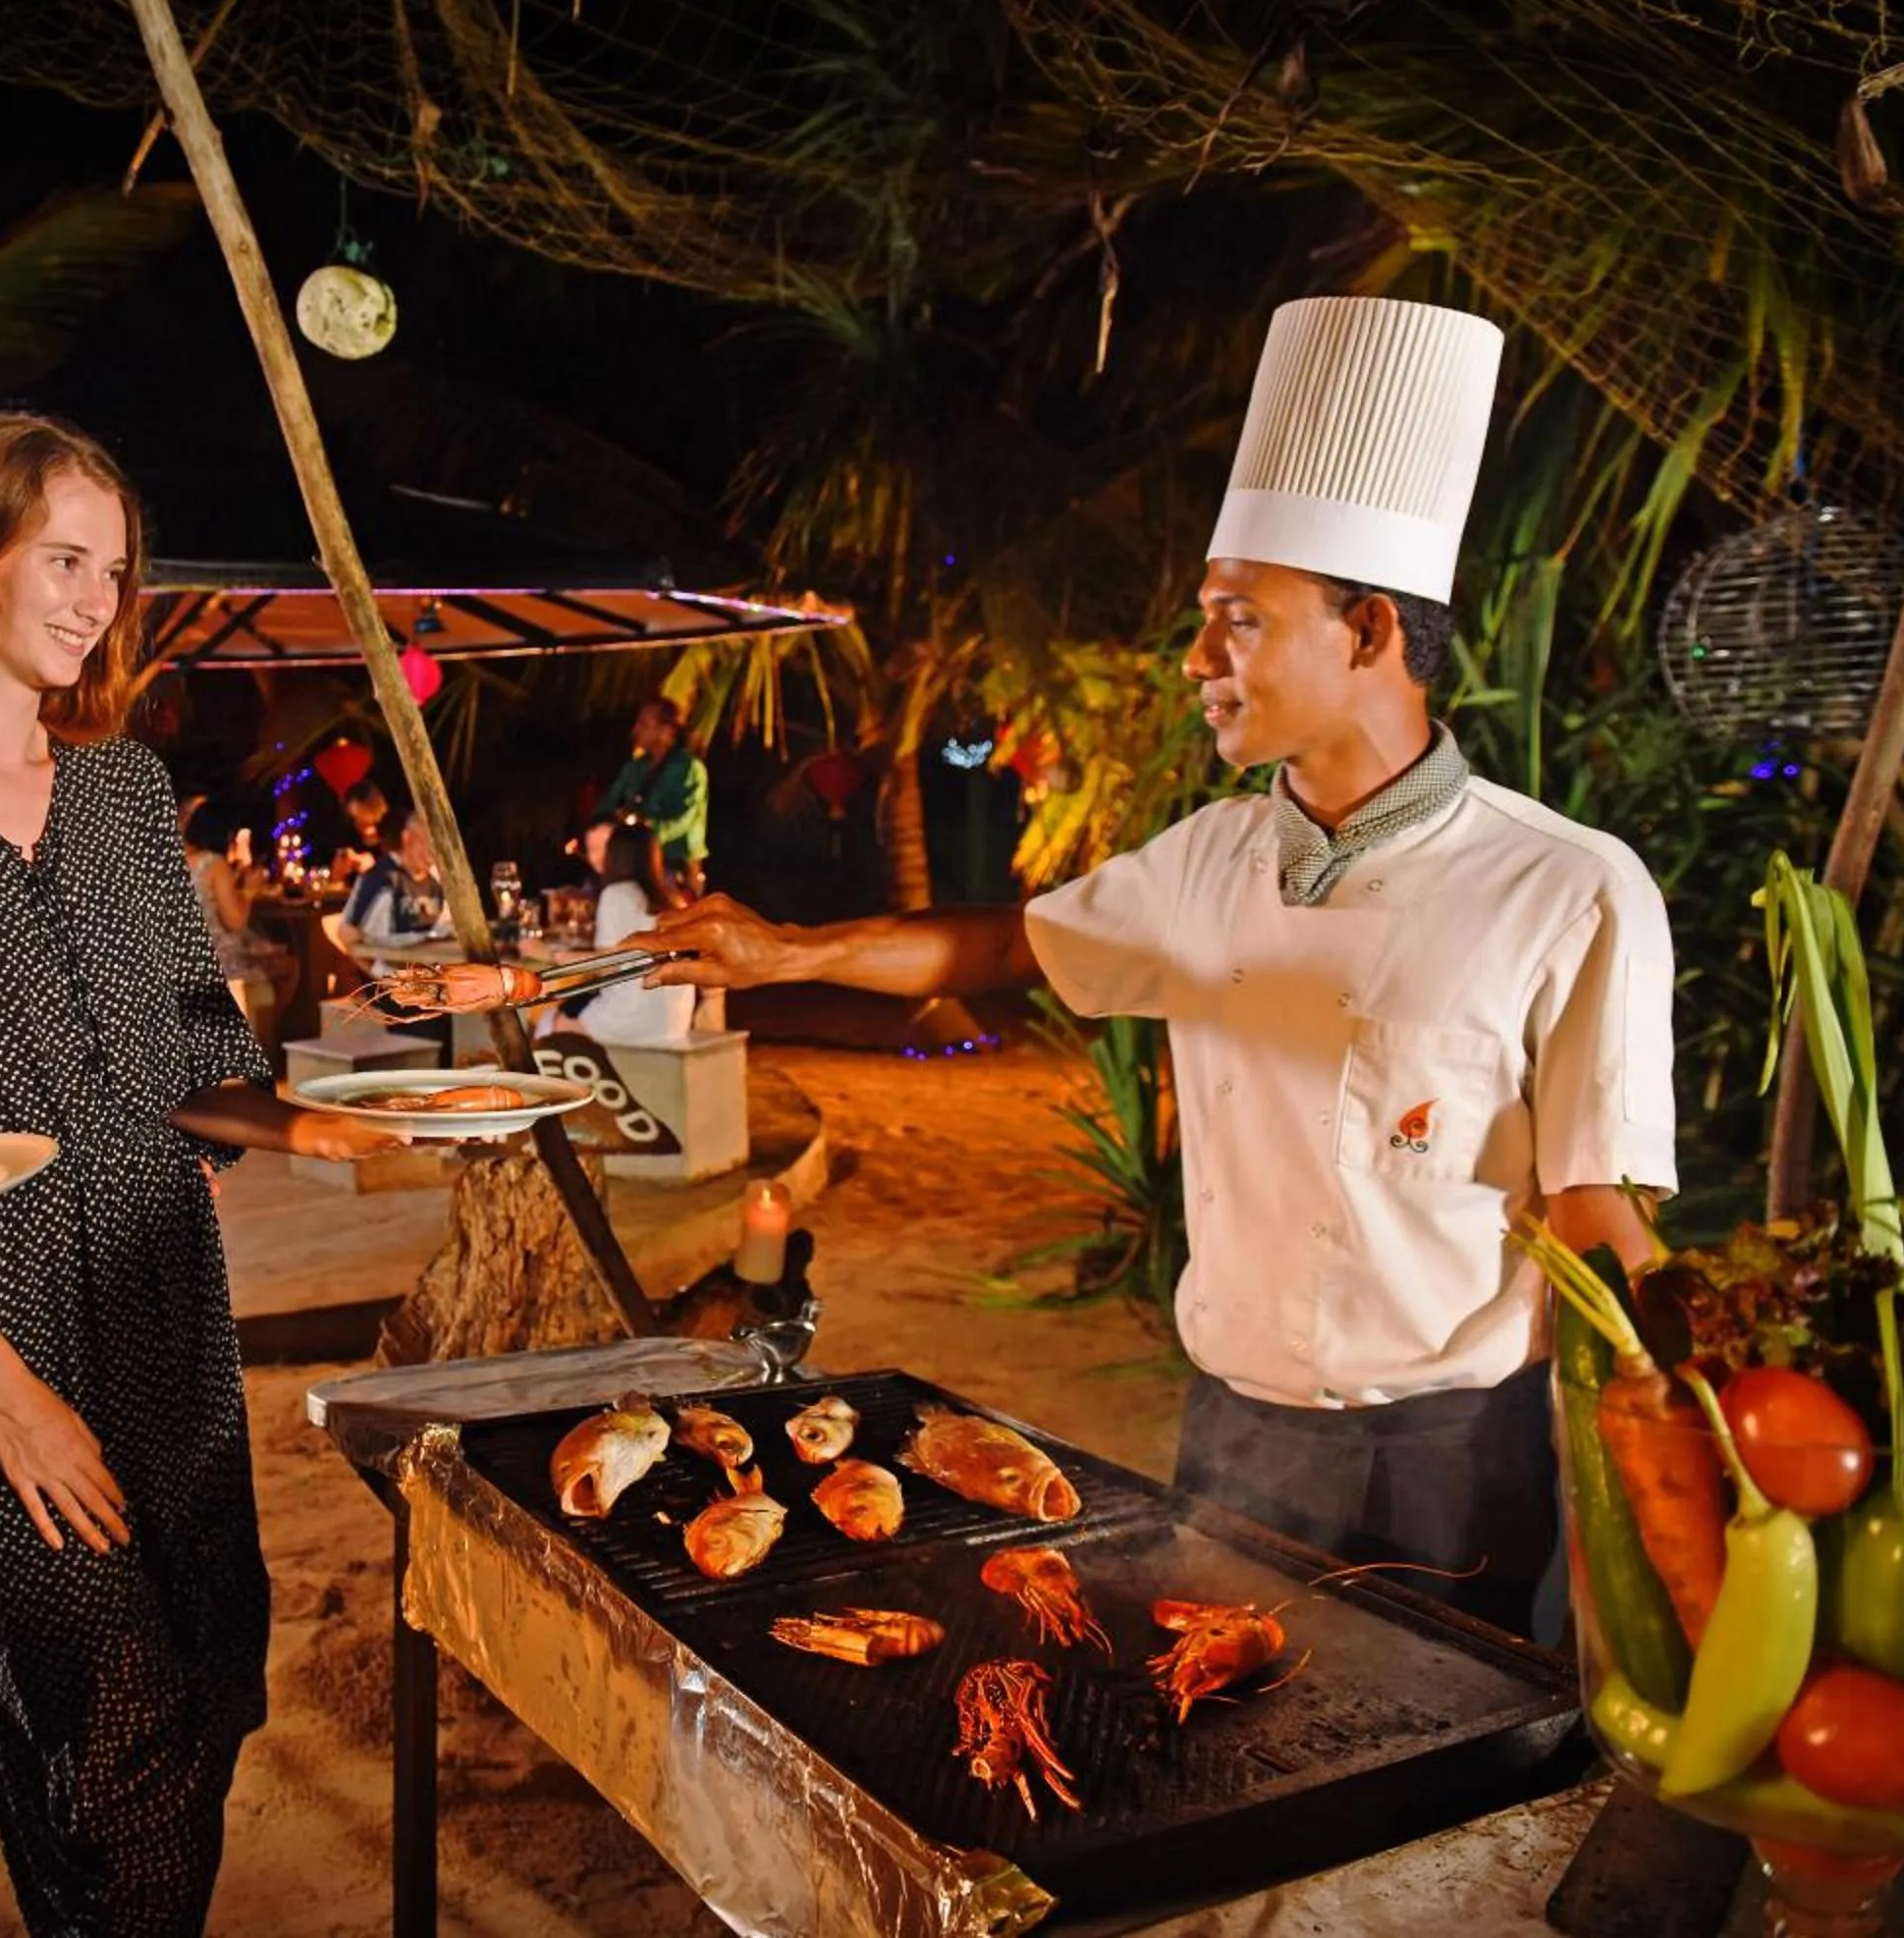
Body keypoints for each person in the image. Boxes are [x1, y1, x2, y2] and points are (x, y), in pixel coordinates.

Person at [629, 297, 1674, 1640]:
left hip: (1457, 1458)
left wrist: (1706, 1406)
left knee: (1446, 1803)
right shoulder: (1211, 856)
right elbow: (1008, 942)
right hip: (1236, 1429)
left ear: (1370, 634)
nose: (1200, 662)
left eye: (1240, 621)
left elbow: (1595, 1210)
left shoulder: (1569, 886)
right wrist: (785, 951)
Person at [0, 410, 398, 1938]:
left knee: (199, 1678)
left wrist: (330, 1129)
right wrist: (0, 1391)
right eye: (64, 557)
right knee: (102, 1706)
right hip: (8, 1321)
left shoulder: (119, 791)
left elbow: (195, 1066)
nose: (94, 598)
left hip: (169, 1296)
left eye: (114, 570)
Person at [541, 818, 694, 1047]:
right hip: (674, 1019)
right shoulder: (673, 898)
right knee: (574, 1008)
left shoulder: (617, 894)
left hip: (631, 1018)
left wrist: (548, 954)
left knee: (547, 1024)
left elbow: (606, 966)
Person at [182, 795, 294, 1030]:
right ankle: (266, 1040)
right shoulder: (212, 863)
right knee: (289, 966)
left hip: (182, 963)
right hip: (222, 963)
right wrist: (250, 891)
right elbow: (234, 921)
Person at [590, 695, 708, 899]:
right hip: (631, 869)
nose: (635, 730)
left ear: (667, 731)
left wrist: (643, 834)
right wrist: (600, 826)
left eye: (644, 724)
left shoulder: (690, 769)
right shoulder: (636, 767)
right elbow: (608, 803)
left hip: (672, 871)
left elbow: (684, 821)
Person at [338, 805, 445, 951]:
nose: (431, 853)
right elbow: (349, 935)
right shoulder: (381, 880)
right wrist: (380, 971)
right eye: (426, 842)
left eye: (438, 845)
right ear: (407, 837)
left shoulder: (436, 883)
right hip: (394, 969)